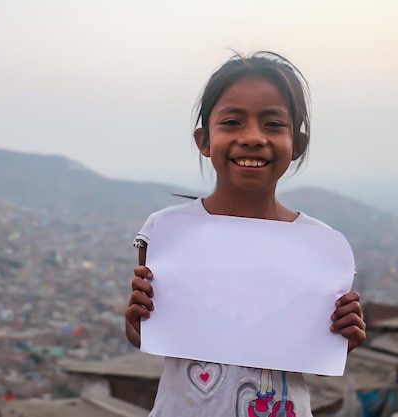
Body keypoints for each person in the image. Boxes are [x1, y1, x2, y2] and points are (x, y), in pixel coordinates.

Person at [125, 51, 366, 417]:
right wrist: (136, 323)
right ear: (204, 141)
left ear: (296, 146)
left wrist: (338, 338)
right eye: (233, 122)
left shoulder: (319, 247)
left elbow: (309, 352)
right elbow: (153, 337)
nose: (253, 138)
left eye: (272, 124)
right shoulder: (167, 232)